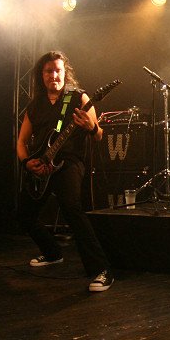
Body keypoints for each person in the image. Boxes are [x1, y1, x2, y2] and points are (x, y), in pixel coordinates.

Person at [16, 50, 113, 292]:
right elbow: (21, 142)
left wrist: (91, 126)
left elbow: (99, 135)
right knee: (24, 214)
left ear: (65, 72)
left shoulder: (78, 97)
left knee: (71, 208)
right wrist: (27, 162)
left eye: (58, 70)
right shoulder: (35, 105)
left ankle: (102, 270)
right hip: (41, 165)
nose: (53, 76)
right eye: (48, 71)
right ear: (42, 75)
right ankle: (52, 253)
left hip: (69, 162)